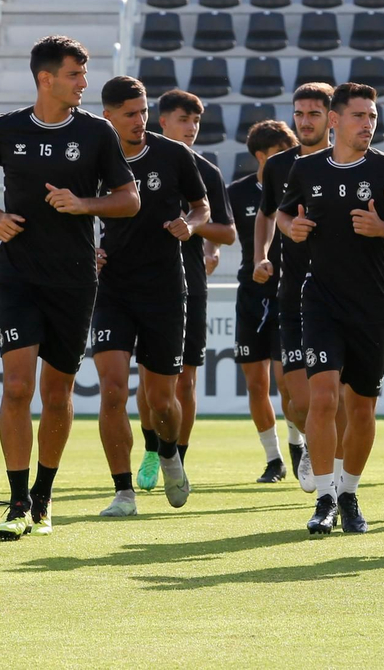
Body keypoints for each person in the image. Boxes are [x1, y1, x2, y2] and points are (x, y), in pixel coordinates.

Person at [0, 36, 139, 541]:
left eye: (83, 74)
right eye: (75, 74)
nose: (84, 83)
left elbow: (129, 200)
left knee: (57, 393)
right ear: (46, 79)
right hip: (18, 274)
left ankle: (42, 496)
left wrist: (84, 205)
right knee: (17, 386)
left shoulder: (96, 133)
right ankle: (17, 502)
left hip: (74, 279)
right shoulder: (6, 128)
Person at [277, 83, 384, 534]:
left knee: (361, 409)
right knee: (323, 397)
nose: (368, 124)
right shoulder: (306, 168)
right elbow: (284, 214)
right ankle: (324, 498)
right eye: (359, 116)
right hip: (320, 300)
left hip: (372, 306)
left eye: (372, 116)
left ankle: (348, 493)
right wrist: (292, 227)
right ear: (335, 120)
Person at [93, 77, 210, 518]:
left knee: (162, 400)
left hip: (164, 289)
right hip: (113, 289)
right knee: (112, 391)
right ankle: (123, 492)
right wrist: (89, 249)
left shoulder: (174, 154)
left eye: (143, 111)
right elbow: (74, 210)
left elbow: (201, 206)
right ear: (108, 116)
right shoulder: (93, 157)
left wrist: (190, 224)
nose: (139, 120)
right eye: (130, 113)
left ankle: (169, 453)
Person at [143, 89, 235, 486]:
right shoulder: (137, 162)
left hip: (190, 283)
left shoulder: (207, 172)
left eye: (196, 121)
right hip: (140, 281)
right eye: (184, 120)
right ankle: (151, 450)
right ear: (162, 121)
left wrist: (194, 225)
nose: (192, 128)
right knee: (148, 379)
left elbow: (227, 232)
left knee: (186, 380)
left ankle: (176, 460)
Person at [254, 83, 332, 493]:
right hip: (293, 292)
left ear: (331, 118)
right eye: (299, 113)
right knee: (299, 399)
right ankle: (315, 449)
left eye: (313, 113)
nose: (304, 121)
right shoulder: (279, 166)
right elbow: (267, 214)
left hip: (345, 293)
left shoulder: (354, 164)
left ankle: (335, 476)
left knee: (339, 399)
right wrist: (261, 255)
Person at [230, 120, 298, 482]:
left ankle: (297, 443)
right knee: (256, 383)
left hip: (289, 293)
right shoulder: (237, 192)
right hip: (251, 293)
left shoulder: (297, 186)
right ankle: (274, 459)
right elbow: (220, 231)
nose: (287, 157)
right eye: (279, 152)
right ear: (261, 156)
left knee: (287, 381)